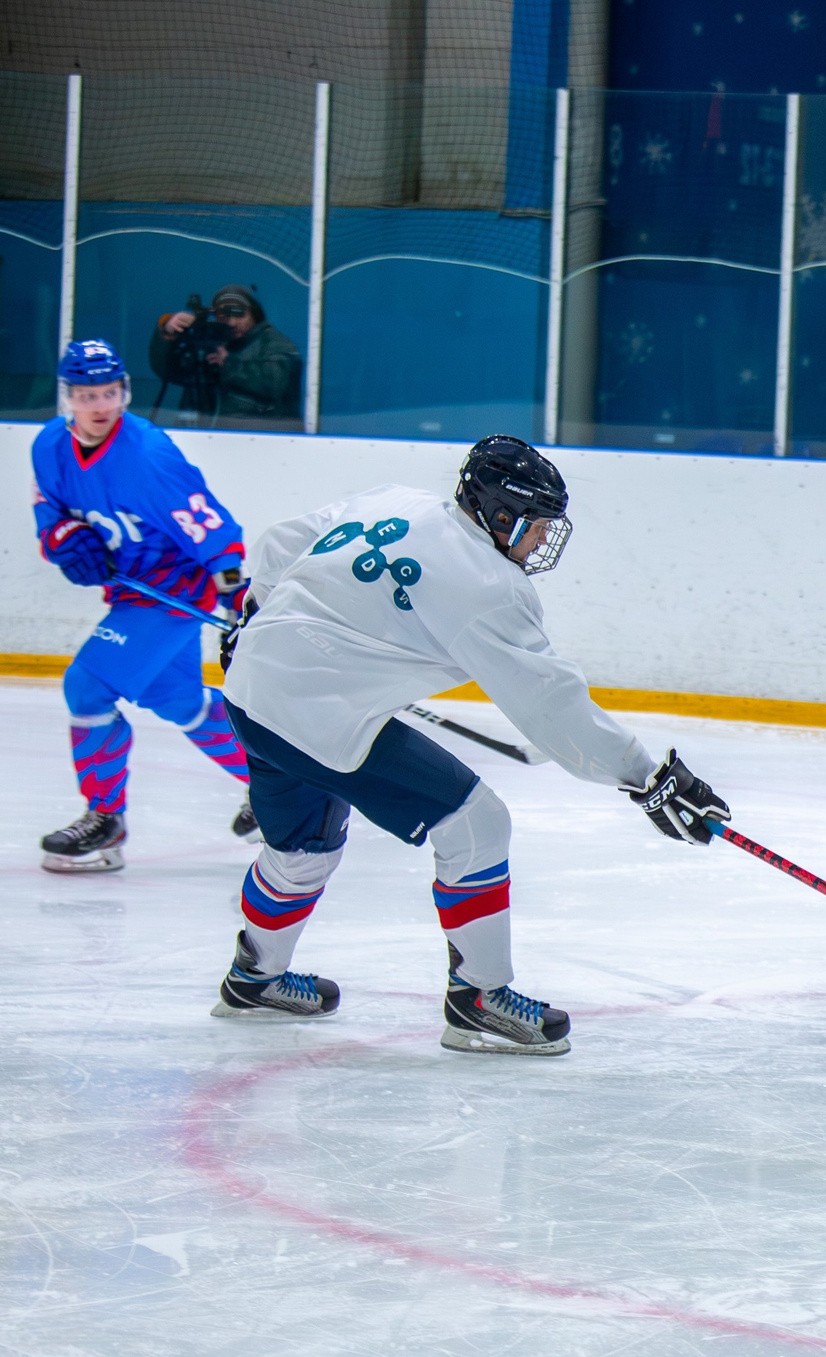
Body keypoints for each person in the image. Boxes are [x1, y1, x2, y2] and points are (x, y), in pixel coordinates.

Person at [214, 435, 731, 1054]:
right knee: (476, 822)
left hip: (249, 691)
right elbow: (551, 707)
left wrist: (256, 610)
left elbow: (281, 542)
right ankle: (479, 998)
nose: (543, 542)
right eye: (537, 527)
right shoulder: (488, 586)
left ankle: (253, 976)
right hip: (317, 717)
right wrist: (646, 775)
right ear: (502, 514)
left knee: (300, 850)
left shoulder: (396, 500)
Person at [32, 339, 261, 872]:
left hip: (176, 590)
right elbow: (49, 507)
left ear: (124, 391)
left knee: (87, 687)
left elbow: (214, 531)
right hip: (132, 591)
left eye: (110, 392)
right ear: (68, 397)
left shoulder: (148, 456)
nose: (101, 405)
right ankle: (277, 782)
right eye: (88, 395)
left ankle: (105, 820)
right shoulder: (48, 446)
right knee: (179, 700)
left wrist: (234, 596)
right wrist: (63, 535)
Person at [148, 285, 303, 423]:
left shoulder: (275, 343)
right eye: (224, 315)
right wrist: (168, 333)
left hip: (262, 439)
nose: (232, 323)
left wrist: (229, 365)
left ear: (254, 314)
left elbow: (276, 384)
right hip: (204, 435)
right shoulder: (212, 343)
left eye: (239, 314)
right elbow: (167, 372)